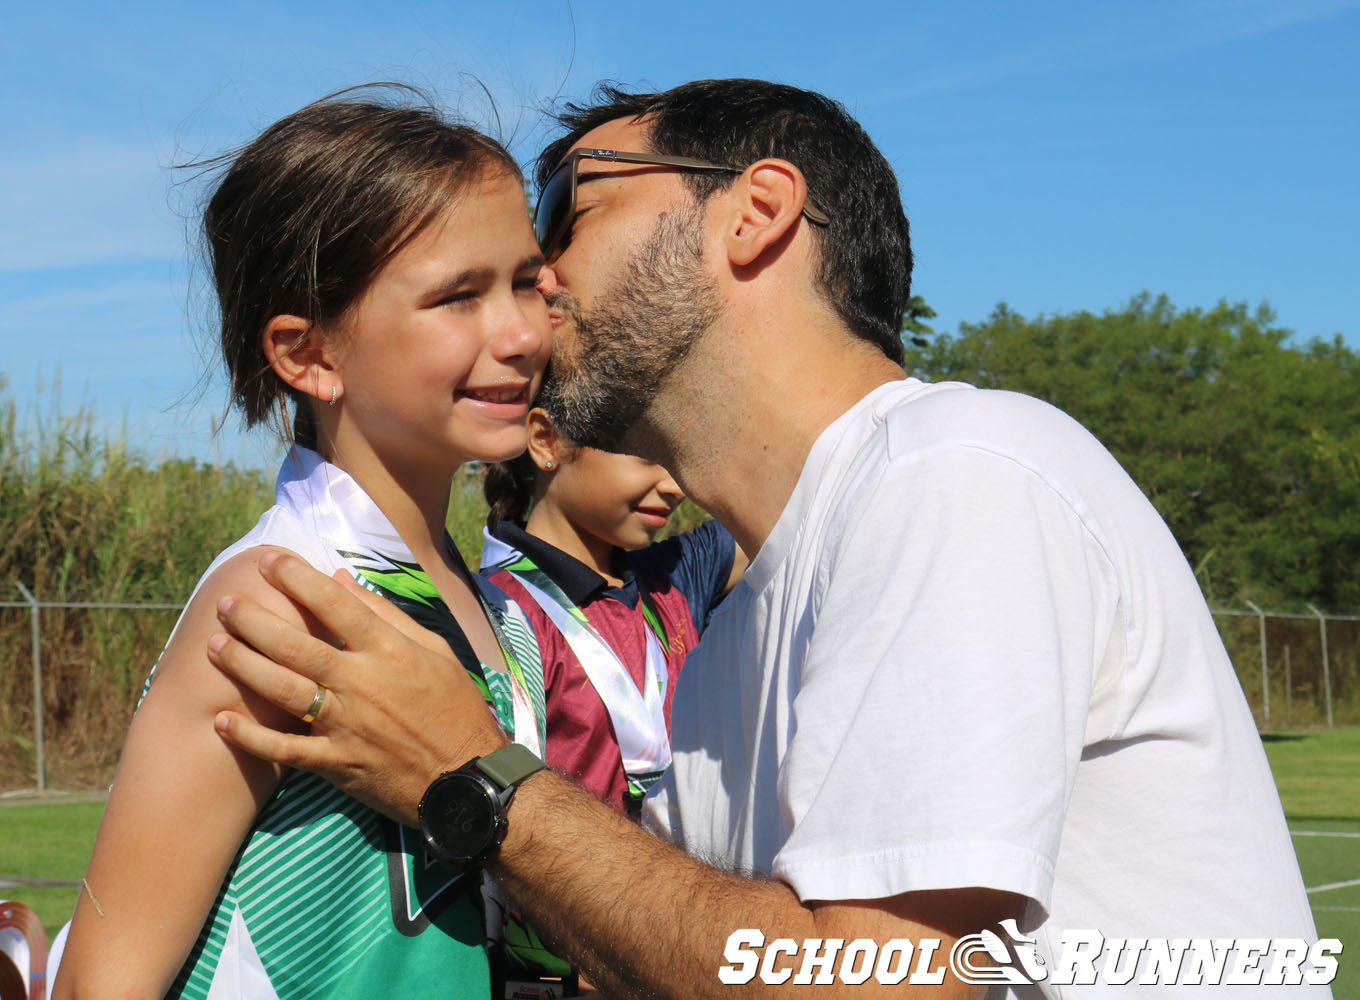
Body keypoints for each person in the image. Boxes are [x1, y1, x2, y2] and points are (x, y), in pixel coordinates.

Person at [205, 79, 1330, 998]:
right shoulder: (729, 652)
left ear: (757, 211)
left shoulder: (955, 467)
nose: (533, 275)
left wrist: (474, 779)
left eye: (567, 208)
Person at [53, 90, 553, 999]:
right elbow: (103, 980)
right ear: (308, 355)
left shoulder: (497, 609)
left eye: (527, 281)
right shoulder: (279, 602)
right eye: (458, 296)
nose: (522, 334)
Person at [480, 401, 745, 818]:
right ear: (546, 441)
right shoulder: (497, 612)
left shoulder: (674, 578)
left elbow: (782, 508)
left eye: (678, 458)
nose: (676, 486)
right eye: (649, 455)